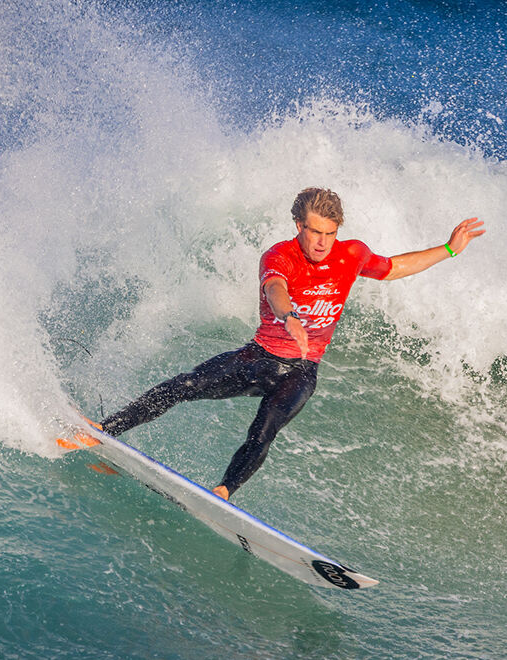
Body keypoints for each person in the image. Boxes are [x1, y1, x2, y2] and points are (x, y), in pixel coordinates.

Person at [99, 188, 486, 500]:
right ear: (298, 224)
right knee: (183, 386)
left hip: (300, 372)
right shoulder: (280, 255)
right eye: (315, 232)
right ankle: (104, 430)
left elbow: (394, 267)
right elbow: (275, 288)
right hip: (257, 358)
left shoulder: (351, 254)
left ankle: (223, 491)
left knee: (263, 433)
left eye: (330, 233)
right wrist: (290, 317)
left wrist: (450, 248)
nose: (322, 242)